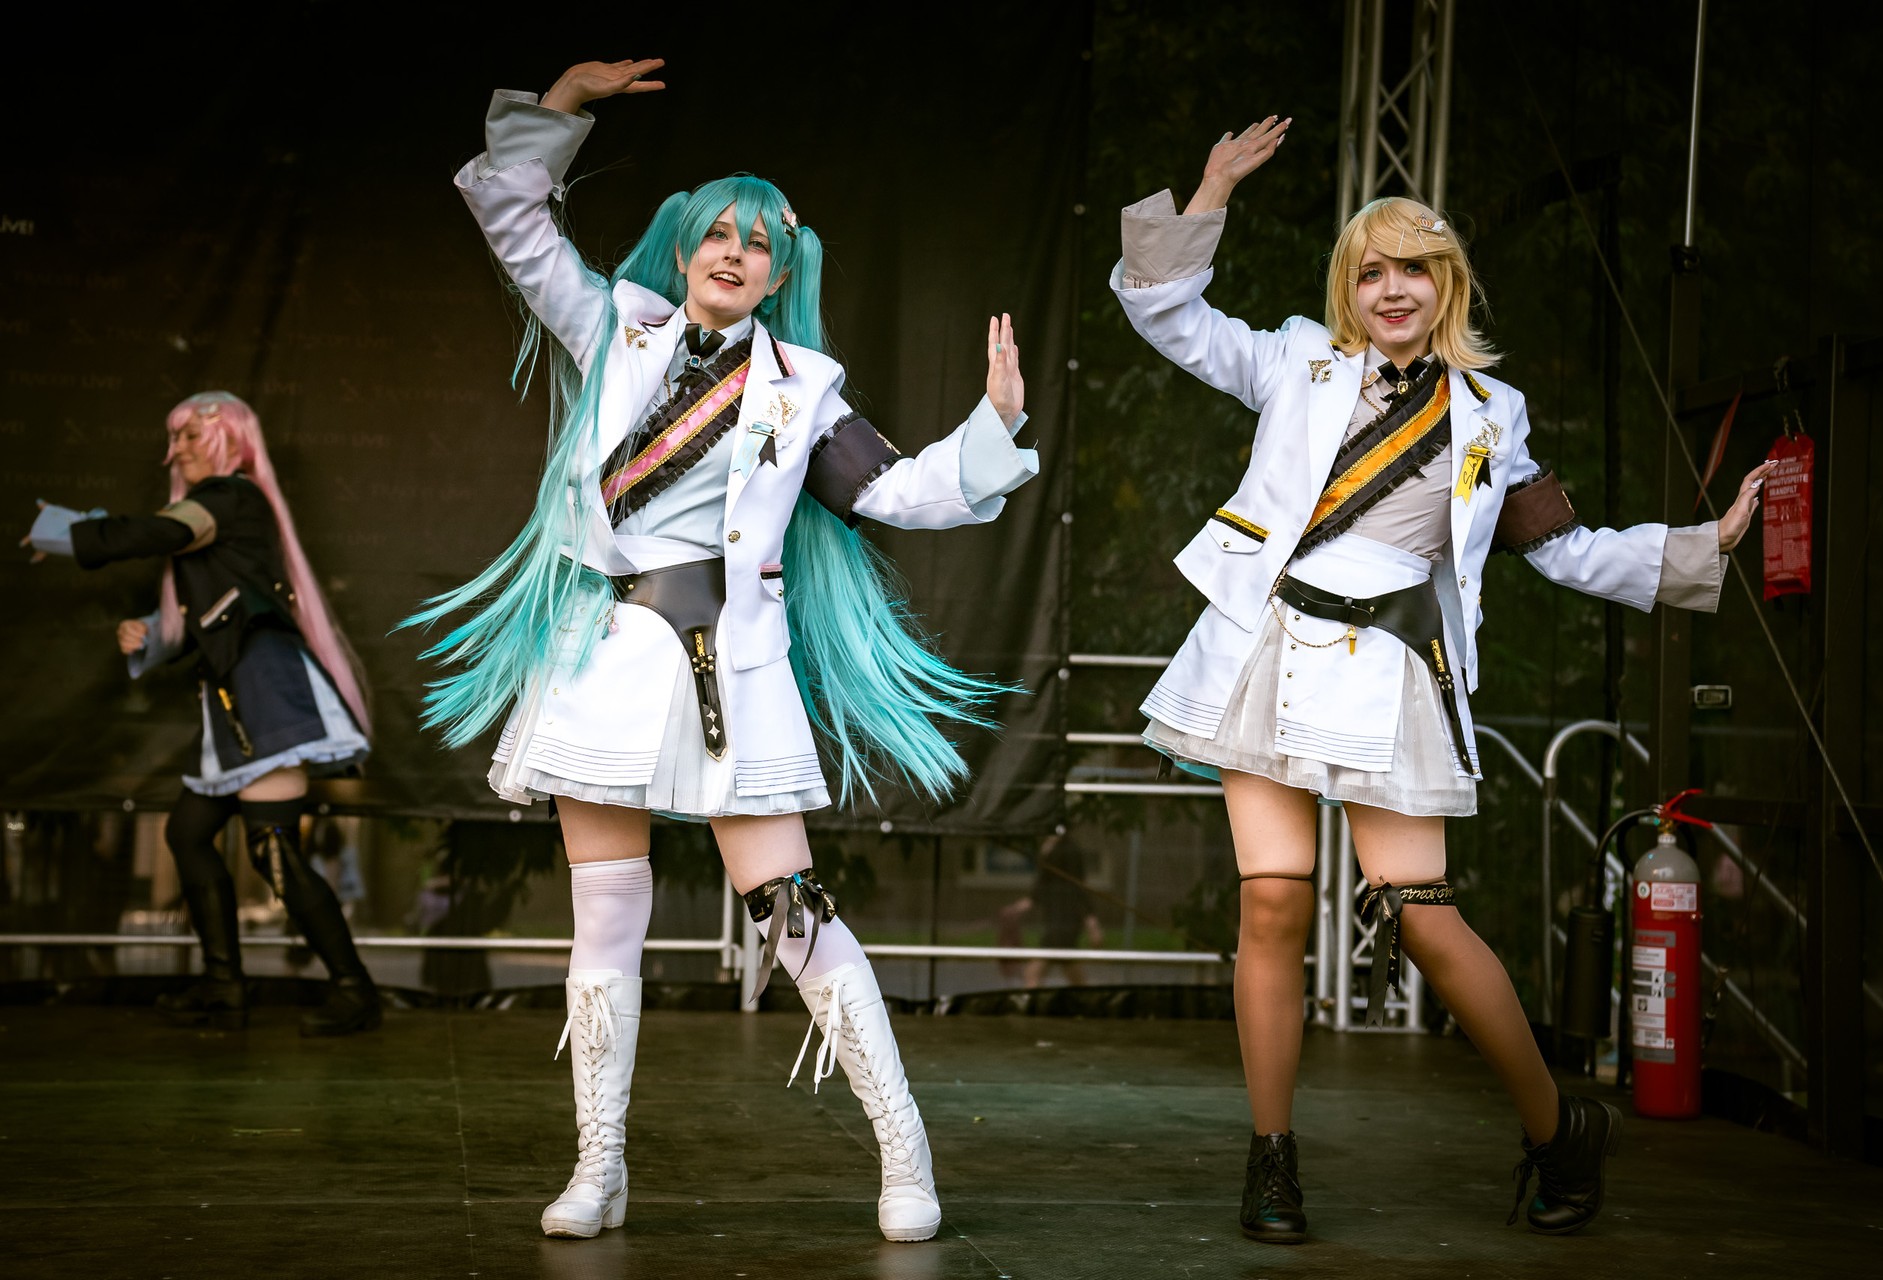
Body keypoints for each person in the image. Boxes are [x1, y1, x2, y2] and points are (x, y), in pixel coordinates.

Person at [408, 59, 1039, 1244]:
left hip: (729, 669)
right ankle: (599, 1164)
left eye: (758, 243)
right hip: (607, 658)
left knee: (795, 912)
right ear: (686, 246)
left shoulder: (802, 390)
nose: (735, 253)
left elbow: (896, 492)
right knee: (604, 917)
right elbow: (515, 225)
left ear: (781, 273)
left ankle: (904, 1147)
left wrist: (994, 426)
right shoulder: (615, 327)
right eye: (718, 234)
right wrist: (562, 106)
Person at [1110, 116, 1770, 1244]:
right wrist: (1211, 187)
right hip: (1270, 649)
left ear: (1447, 283)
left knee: (1421, 913)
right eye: (1373, 270)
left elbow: (1561, 546)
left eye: (1414, 268)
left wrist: (1699, 546)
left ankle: (1559, 1128)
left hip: (1393, 668)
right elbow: (1165, 313)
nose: (1393, 288)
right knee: (1271, 899)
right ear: (1348, 287)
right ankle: (1271, 1158)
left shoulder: (1491, 415)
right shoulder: (1294, 360)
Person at [24, 391, 380, 1036]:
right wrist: (151, 633)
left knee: (272, 851)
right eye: (176, 437)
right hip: (235, 698)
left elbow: (160, 532)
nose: (178, 449)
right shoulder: (219, 511)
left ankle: (355, 991)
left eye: (192, 435)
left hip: (266, 692)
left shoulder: (231, 497)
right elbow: (213, 615)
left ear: (231, 442)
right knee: (188, 835)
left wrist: (66, 531)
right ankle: (224, 985)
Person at [997, 831, 1105, 987]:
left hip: (1064, 922)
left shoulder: (1069, 850)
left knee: (1033, 973)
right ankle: (1086, 1000)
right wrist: (1016, 909)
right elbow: (1040, 890)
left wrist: (1092, 922)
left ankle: (1033, 1003)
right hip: (1058, 921)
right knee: (1072, 972)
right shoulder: (1053, 853)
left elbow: (1079, 887)